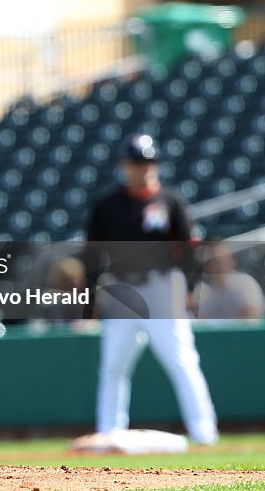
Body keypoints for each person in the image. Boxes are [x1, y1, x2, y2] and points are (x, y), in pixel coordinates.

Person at [84, 134, 218, 445]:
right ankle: (109, 433)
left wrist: (190, 288)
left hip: (162, 285)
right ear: (124, 166)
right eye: (136, 162)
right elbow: (92, 255)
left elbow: (191, 249)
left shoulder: (169, 201)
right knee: (114, 366)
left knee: (182, 361)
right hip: (121, 288)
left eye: (147, 162)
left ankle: (204, 433)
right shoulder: (108, 206)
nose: (143, 168)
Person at [192, 240, 265, 323]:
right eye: (213, 262)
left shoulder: (244, 283)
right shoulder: (203, 291)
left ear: (231, 262)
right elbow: (202, 322)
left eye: (221, 261)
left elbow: (251, 318)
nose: (218, 267)